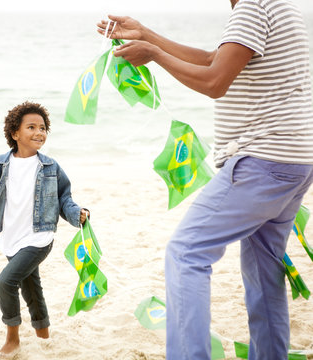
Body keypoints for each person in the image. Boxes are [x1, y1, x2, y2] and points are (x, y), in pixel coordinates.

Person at [97, 1, 313, 359]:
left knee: (186, 253)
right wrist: (147, 35)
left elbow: (215, 82)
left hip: (261, 160)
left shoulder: (252, 7)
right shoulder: (276, 5)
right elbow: (216, 59)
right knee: (263, 269)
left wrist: (154, 54)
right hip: (293, 161)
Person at [0, 101, 89, 359]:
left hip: (40, 237)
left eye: (43, 127)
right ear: (15, 133)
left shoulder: (50, 167)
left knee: (6, 282)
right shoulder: (1, 164)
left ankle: (12, 339)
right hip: (11, 236)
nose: (39, 132)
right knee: (31, 287)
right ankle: (43, 335)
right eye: (32, 127)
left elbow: (64, 198)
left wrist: (77, 214)